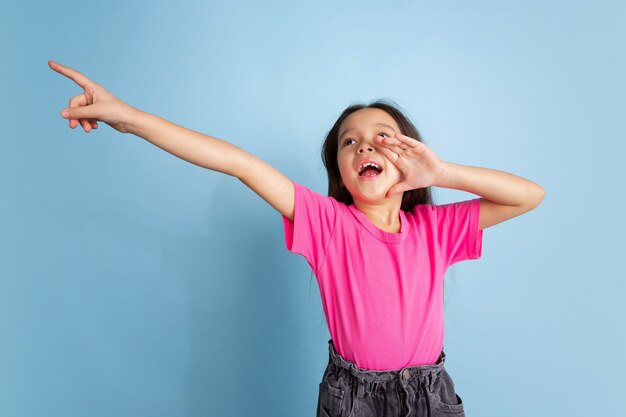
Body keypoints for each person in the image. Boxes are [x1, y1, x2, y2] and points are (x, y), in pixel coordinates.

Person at [48, 60, 545, 417]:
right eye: (350, 142)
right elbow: (239, 163)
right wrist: (128, 118)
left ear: (410, 159)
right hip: (353, 401)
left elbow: (529, 195)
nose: (365, 145)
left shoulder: (433, 231)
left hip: (430, 398)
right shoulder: (328, 225)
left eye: (384, 138)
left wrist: (442, 171)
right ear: (341, 173)